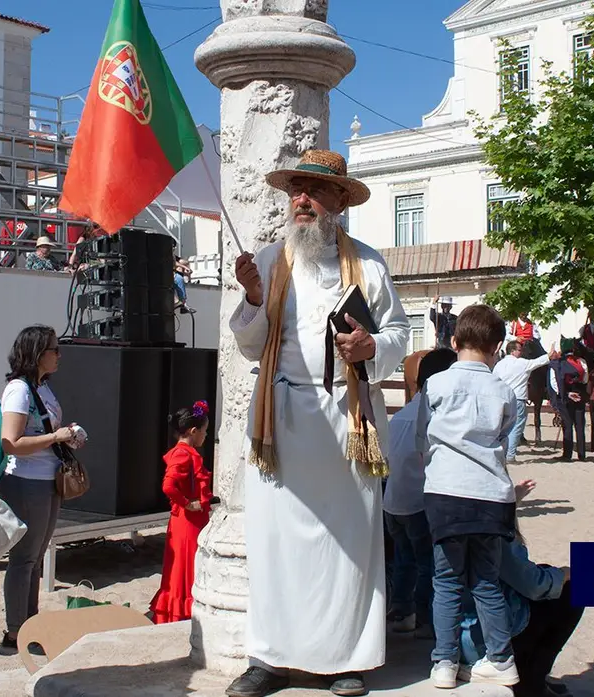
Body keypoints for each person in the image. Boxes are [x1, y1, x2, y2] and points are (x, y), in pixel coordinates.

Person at [225, 150, 410, 697]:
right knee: (275, 545)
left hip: (347, 422)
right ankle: (269, 659)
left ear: (339, 202)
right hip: (281, 424)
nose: (301, 200)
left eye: (313, 191)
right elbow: (249, 343)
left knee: (348, 544)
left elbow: (399, 333)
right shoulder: (268, 258)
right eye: (295, 190)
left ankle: (345, 659)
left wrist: (371, 345)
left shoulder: (370, 264)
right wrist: (254, 299)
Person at [422, 304, 522, 688]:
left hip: (446, 492)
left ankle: (444, 662)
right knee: (486, 581)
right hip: (491, 495)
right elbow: (503, 435)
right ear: (497, 346)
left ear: (453, 340)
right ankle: (500, 657)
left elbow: (422, 438)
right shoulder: (504, 392)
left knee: (446, 581)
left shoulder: (437, 385)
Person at [0, 325, 78, 654]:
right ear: (36, 353)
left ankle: (29, 624)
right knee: (24, 560)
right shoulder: (19, 390)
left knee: (35, 558)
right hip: (26, 481)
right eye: (53, 349)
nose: (59, 355)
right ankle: (16, 632)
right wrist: (55, 438)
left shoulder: (41, 388)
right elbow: (11, 443)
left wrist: (68, 436)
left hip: (46, 479)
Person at [458, 488, 581, 697]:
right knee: (573, 590)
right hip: (483, 642)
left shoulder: (455, 517)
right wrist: (564, 574)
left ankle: (534, 675)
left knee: (546, 572)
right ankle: (532, 681)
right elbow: (532, 584)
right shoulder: (490, 529)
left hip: (460, 635)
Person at [384, 348, 456, 637]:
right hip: (417, 502)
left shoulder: (401, 415)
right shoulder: (433, 416)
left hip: (392, 502)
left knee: (403, 558)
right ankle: (426, 618)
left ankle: (401, 611)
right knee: (428, 564)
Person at [150, 401, 214, 624]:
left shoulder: (186, 453)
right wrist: (187, 503)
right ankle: (181, 615)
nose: (206, 436)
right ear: (194, 431)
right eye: (204, 432)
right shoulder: (183, 454)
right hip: (187, 523)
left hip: (188, 521)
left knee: (182, 571)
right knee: (184, 570)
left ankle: (179, 614)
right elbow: (168, 485)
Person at [493, 340, 552, 462]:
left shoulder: (499, 365)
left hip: (501, 398)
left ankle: (502, 452)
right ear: (513, 351)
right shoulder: (521, 363)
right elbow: (538, 362)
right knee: (516, 427)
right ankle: (510, 455)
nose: (521, 352)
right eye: (519, 350)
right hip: (518, 398)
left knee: (502, 427)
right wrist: (549, 355)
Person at [548, 339, 588, 462]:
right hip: (579, 396)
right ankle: (582, 454)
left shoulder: (556, 364)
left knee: (567, 425)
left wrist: (565, 394)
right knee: (580, 425)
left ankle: (567, 454)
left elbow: (554, 384)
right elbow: (585, 380)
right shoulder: (582, 362)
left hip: (565, 398)